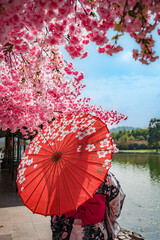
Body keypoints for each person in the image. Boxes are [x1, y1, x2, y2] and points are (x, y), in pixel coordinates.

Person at [50, 171, 125, 240]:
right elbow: (115, 210)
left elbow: (56, 210)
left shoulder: (62, 175)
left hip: (67, 231)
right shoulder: (106, 177)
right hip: (96, 233)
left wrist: (56, 230)